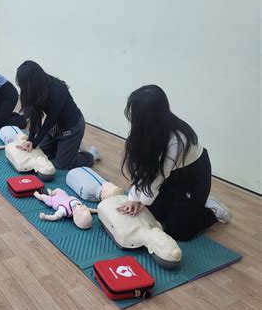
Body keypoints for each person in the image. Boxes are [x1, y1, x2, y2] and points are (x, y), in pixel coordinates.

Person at [117, 85, 231, 241]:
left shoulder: (178, 139)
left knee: (177, 231)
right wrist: (133, 198)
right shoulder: (145, 130)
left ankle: (212, 209)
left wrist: (141, 200)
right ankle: (185, 204)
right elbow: (145, 167)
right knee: (153, 213)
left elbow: (158, 175)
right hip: (170, 174)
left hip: (192, 177)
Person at [15, 60, 100, 170]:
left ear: (32, 82)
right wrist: (31, 139)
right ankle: (69, 147)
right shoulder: (36, 89)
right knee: (42, 153)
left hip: (71, 127)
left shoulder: (57, 90)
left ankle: (91, 155)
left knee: (62, 164)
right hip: (56, 126)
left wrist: (35, 143)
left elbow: (49, 122)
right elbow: (35, 114)